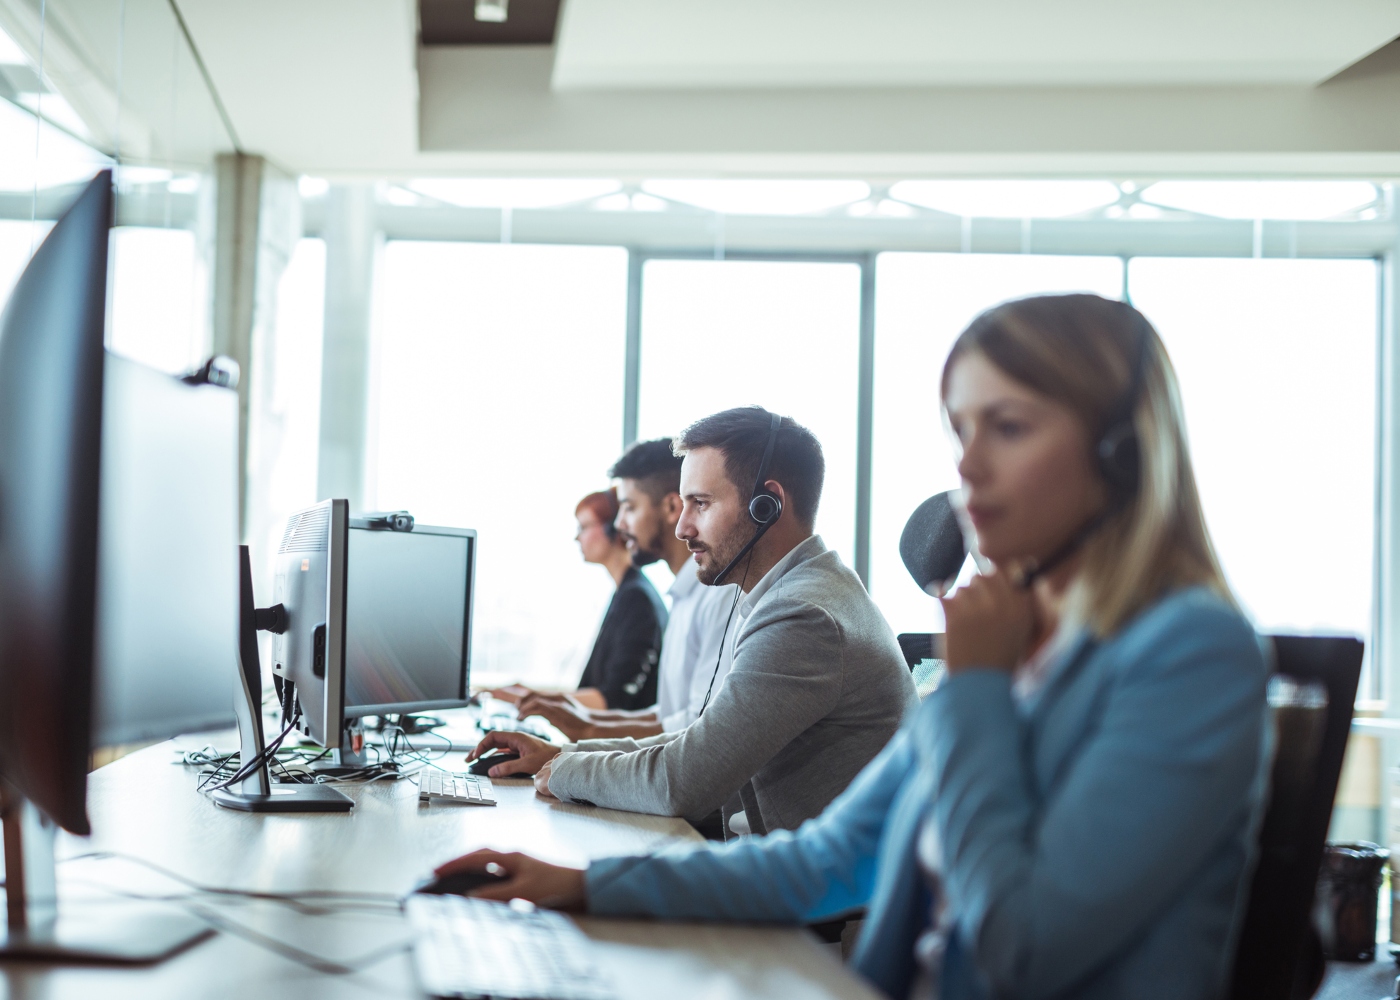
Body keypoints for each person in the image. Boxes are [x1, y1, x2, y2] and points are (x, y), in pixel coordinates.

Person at [437, 294, 1270, 1000]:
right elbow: (826, 860)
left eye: (1008, 428)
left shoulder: (1190, 654)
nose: (967, 467)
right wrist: (582, 885)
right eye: (961, 431)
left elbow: (1022, 949)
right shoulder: (1021, 652)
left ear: (1121, 457)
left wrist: (976, 691)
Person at [472, 408, 918, 838]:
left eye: (700, 504)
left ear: (769, 505)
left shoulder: (803, 617)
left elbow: (681, 781)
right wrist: (564, 753)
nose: (682, 527)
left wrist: (567, 770)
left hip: (814, 905)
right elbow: (698, 744)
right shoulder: (805, 592)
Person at [515, 438, 738, 741]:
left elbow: (696, 729)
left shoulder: (717, 596)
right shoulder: (682, 596)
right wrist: (577, 718)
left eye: (629, 508)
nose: (619, 524)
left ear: (671, 507)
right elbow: (668, 715)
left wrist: (580, 739)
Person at [541, 489, 667, 711]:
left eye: (583, 527)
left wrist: (534, 700)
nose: (576, 537)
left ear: (613, 528)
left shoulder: (637, 599)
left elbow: (613, 699)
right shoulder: (624, 592)